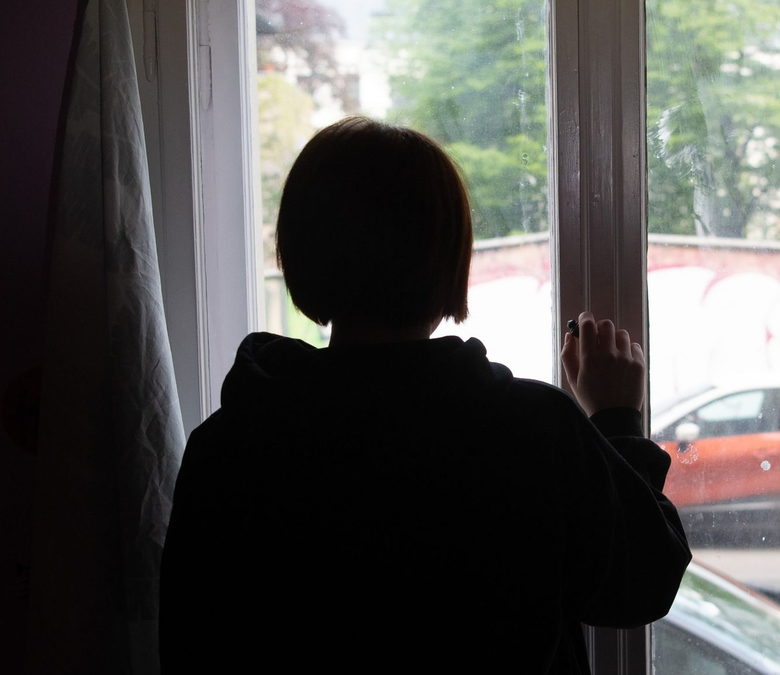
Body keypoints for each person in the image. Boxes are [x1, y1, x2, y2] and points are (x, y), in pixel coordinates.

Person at [159, 117, 692, 673]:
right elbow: (641, 584)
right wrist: (616, 421)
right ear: (448, 261)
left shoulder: (228, 447)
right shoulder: (529, 430)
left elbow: (191, 648)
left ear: (298, 254)